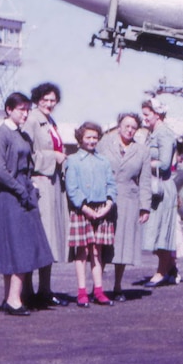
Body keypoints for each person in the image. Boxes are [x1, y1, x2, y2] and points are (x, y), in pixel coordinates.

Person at [0, 92, 54, 316]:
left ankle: (11, 297)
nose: (25, 113)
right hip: (10, 198)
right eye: (21, 109)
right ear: (8, 109)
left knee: (22, 247)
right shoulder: (0, 135)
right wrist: (21, 189)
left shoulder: (23, 135)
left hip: (23, 194)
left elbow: (29, 164)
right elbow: (0, 170)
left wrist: (28, 187)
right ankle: (13, 299)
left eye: (27, 109)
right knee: (17, 248)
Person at [21, 82, 69, 307]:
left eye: (53, 100)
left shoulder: (50, 121)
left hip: (53, 184)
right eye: (45, 99)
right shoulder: (31, 120)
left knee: (51, 238)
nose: (49, 104)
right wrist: (53, 157)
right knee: (38, 237)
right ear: (37, 99)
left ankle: (46, 289)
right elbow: (26, 155)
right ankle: (28, 291)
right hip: (40, 183)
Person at [97, 113, 152, 300]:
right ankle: (98, 288)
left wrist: (145, 207)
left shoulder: (143, 151)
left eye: (133, 127)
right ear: (119, 126)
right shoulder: (104, 143)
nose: (129, 130)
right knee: (103, 244)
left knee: (123, 245)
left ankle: (118, 286)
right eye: (126, 126)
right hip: (105, 199)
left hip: (129, 200)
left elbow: (145, 181)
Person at [65, 122, 118, 307]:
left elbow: (112, 185)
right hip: (83, 210)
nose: (92, 141)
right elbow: (72, 189)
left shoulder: (103, 161)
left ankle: (99, 290)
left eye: (95, 137)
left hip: (101, 210)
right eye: (88, 137)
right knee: (83, 251)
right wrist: (85, 208)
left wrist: (109, 204)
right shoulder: (72, 160)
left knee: (97, 252)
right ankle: (81, 292)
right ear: (80, 138)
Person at [141, 98, 181, 288]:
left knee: (161, 230)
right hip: (155, 187)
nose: (144, 119)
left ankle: (161, 272)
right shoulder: (153, 133)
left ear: (157, 114)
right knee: (153, 230)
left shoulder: (163, 134)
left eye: (147, 115)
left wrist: (142, 164)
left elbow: (164, 163)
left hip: (162, 188)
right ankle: (171, 268)